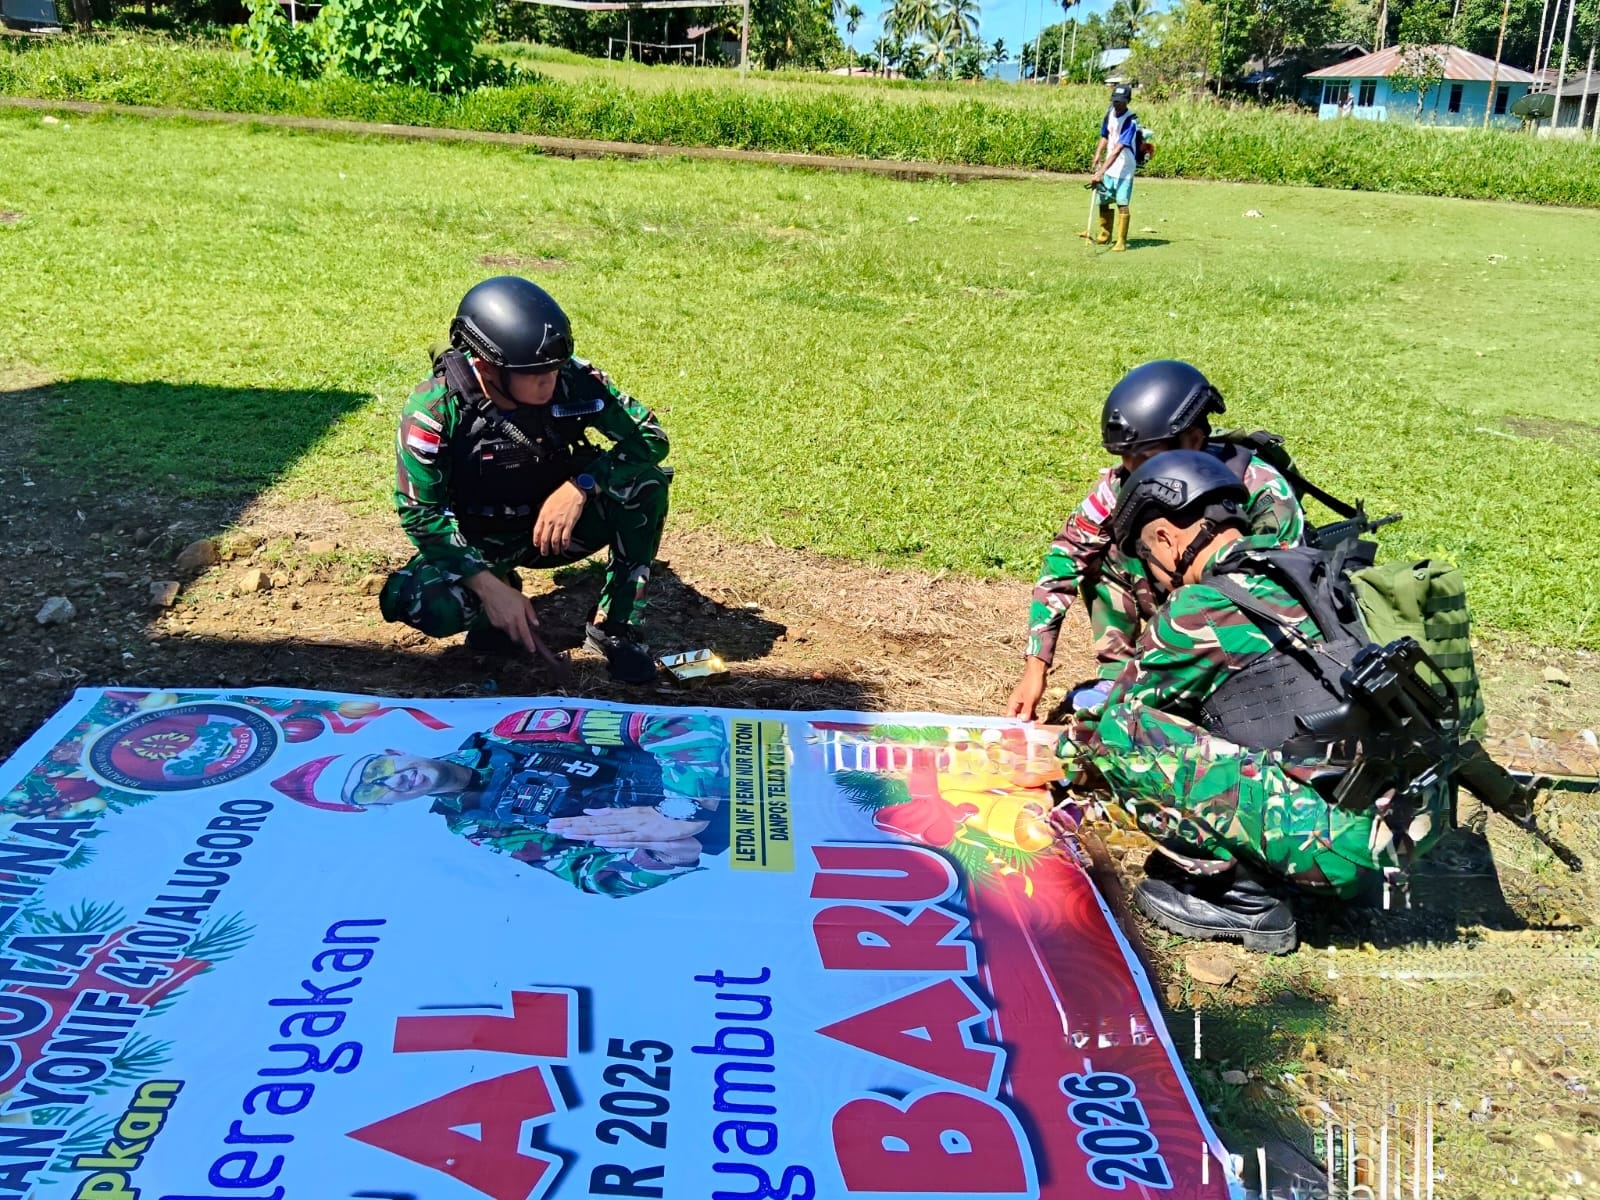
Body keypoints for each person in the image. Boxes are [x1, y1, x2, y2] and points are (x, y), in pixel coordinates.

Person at [1055, 451, 1454, 953]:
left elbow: (1111, 722)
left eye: (1147, 560)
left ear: (1165, 538)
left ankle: (1240, 897)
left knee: (1122, 735)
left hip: (1346, 852)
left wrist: (1061, 755)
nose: (1154, 580)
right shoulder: (1309, 570)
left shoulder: (1200, 608)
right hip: (1408, 832)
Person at [378, 276, 671, 683]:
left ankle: (616, 626)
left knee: (646, 484)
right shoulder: (434, 409)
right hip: (480, 539)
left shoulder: (572, 377)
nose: (549, 380)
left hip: (557, 529)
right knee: (421, 602)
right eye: (534, 372)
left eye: (553, 368)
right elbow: (420, 514)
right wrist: (488, 587)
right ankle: (496, 603)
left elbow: (650, 439)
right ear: (485, 365)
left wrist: (582, 486)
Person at [1007, 361, 1306, 722]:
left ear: (1193, 440)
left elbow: (1282, 593)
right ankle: (1117, 679)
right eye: (1125, 459)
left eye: (1147, 457)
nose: (1133, 470)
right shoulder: (1125, 483)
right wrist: (1036, 665)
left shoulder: (1262, 490)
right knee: (1110, 550)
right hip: (1178, 599)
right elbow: (1067, 555)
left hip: (1242, 620)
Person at [270, 707, 730, 897]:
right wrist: (661, 859)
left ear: (392, 753)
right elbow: (594, 876)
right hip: (738, 848)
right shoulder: (477, 827)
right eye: (371, 790)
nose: (391, 780)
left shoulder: (516, 731)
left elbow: (675, 725)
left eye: (376, 768)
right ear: (379, 806)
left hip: (744, 782)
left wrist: (682, 809)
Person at [1089, 83, 1140, 252]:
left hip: (1124, 167)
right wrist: (1097, 154)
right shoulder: (1109, 113)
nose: (1117, 104)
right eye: (1115, 101)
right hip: (1109, 165)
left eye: (1120, 102)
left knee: (1122, 202)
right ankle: (1104, 235)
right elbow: (1105, 135)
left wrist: (1101, 172)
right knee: (1103, 200)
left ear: (1127, 101)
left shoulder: (1130, 121)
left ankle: (1121, 241)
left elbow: (1118, 149)